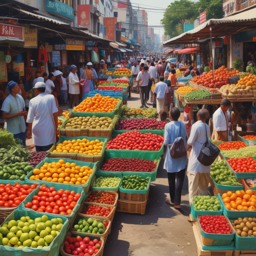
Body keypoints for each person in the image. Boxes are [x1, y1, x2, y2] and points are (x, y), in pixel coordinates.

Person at [164, 107, 188, 209]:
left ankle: (173, 200)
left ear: (170, 116)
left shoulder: (168, 126)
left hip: (172, 154)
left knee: (171, 178)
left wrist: (164, 154)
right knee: (180, 178)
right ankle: (177, 202)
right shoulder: (183, 124)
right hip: (182, 153)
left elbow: (166, 142)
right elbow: (185, 137)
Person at [187, 109, 211, 204]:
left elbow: (190, 142)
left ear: (198, 116)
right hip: (205, 163)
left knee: (193, 189)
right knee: (204, 189)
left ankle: (193, 213)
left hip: (196, 162)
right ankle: (203, 212)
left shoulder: (195, 126)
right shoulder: (207, 126)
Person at [26, 82, 58, 152]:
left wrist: (29, 130)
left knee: (39, 154)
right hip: (48, 129)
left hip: (37, 129)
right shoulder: (51, 97)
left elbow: (30, 118)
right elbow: (55, 113)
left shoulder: (32, 101)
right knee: (48, 152)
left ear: (36, 90)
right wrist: (56, 127)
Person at [1, 81, 27, 146]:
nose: (19, 88)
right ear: (12, 89)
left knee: (23, 148)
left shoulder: (20, 97)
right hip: (13, 130)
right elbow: (4, 116)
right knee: (16, 149)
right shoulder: (7, 100)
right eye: (17, 86)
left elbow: (24, 109)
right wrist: (17, 114)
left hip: (22, 128)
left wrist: (25, 114)